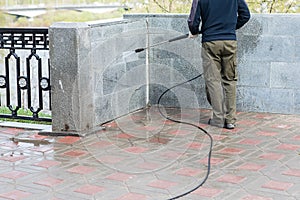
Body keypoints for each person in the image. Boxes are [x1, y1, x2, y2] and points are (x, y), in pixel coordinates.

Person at [187, 0, 250, 129]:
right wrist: (230, 28)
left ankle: (218, 119)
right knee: (230, 80)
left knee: (213, 81)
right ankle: (230, 120)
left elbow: (193, 21)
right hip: (229, 42)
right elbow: (245, 15)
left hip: (210, 43)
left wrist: (194, 31)